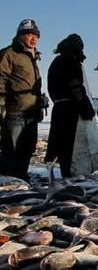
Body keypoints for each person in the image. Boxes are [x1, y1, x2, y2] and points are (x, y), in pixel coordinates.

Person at [44, 34, 98, 177]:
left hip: (61, 109)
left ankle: (67, 172)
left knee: (62, 145)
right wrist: (83, 104)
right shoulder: (69, 62)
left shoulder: (58, 61)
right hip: (71, 111)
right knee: (72, 146)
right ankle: (75, 174)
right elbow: (76, 86)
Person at [0, 19, 48, 181]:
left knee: (27, 148)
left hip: (31, 113)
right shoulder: (10, 54)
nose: (33, 39)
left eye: (36, 36)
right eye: (28, 34)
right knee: (11, 151)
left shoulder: (33, 56)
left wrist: (40, 101)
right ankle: (8, 183)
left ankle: (21, 178)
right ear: (20, 36)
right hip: (14, 112)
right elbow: (0, 79)